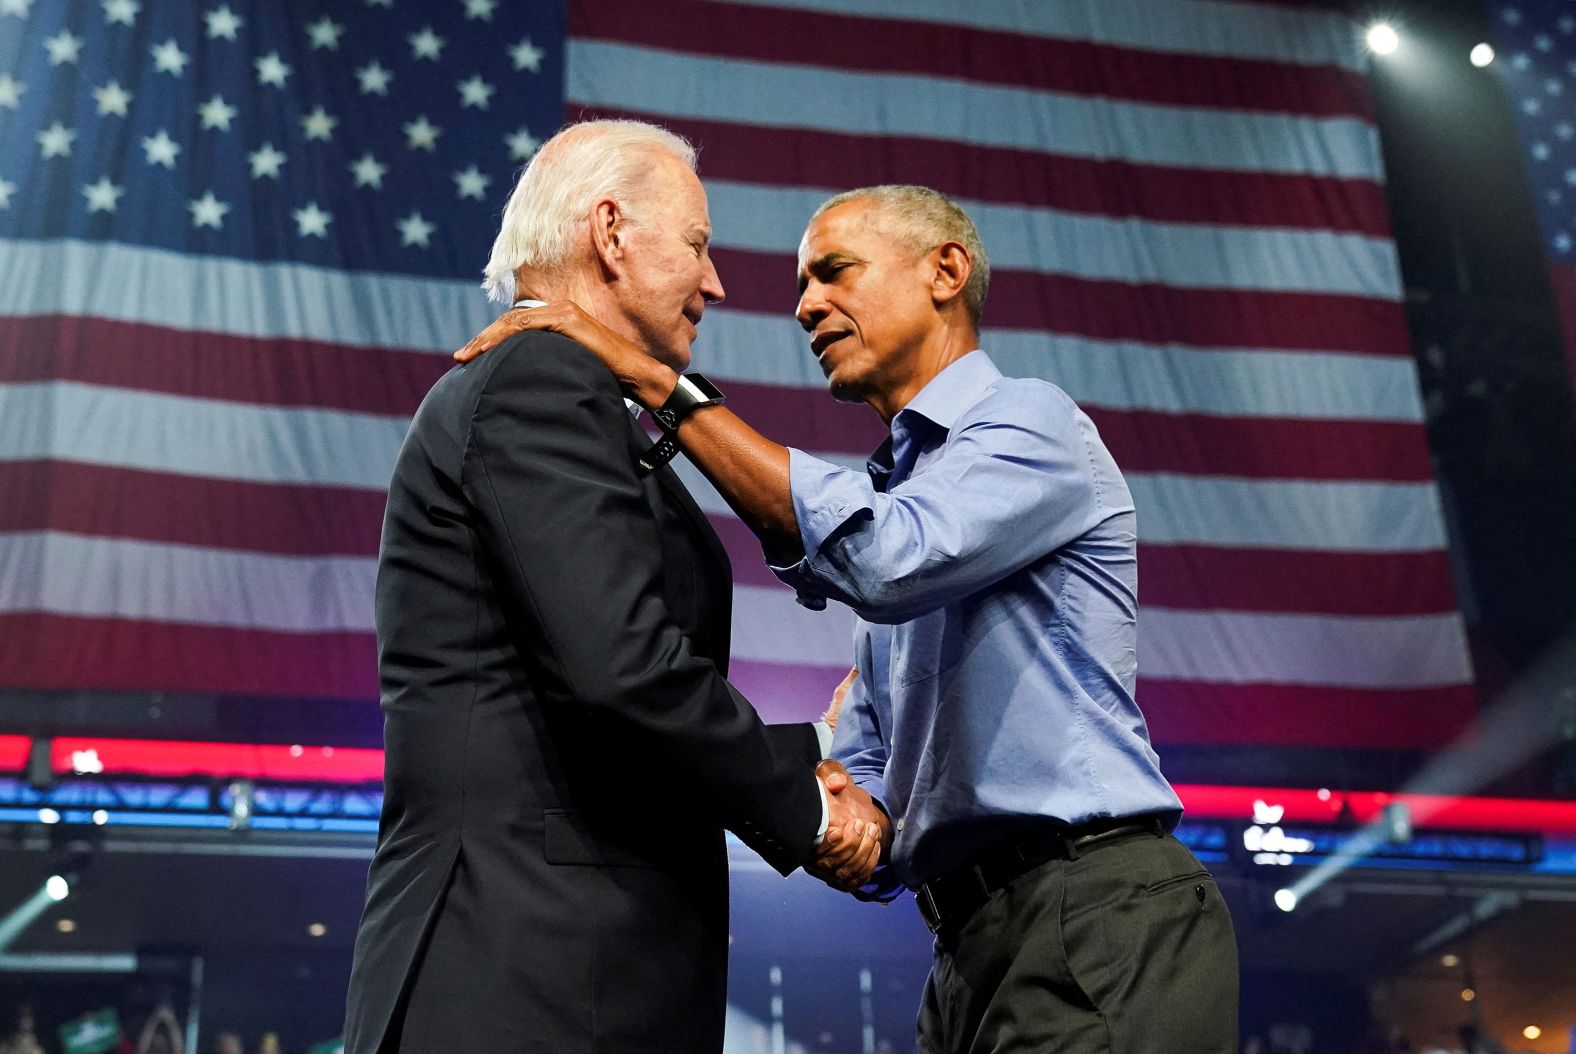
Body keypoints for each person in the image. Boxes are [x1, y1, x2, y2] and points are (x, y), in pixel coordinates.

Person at [457, 184, 1240, 1052]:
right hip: (967, 943)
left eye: (834, 273)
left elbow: (885, 559)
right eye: (801, 285)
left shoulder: (1034, 424)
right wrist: (815, 801)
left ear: (947, 271)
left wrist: (659, 385)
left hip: (1097, 907)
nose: (804, 307)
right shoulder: (905, 500)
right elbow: (867, 777)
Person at [342, 120, 887, 1054]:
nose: (716, 284)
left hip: (552, 971)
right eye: (699, 246)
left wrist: (819, 747)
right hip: (529, 976)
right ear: (609, 231)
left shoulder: (575, 393)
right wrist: (812, 802)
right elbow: (625, 670)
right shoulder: (540, 382)